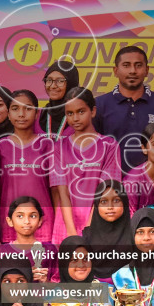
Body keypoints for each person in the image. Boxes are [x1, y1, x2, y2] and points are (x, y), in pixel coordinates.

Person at [95, 45, 154, 173]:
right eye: (126, 65)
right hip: (112, 186)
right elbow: (91, 150)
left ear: (147, 70)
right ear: (115, 70)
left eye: (138, 65)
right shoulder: (100, 105)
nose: (132, 71)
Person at [53, 87, 120, 238]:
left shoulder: (109, 146)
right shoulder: (59, 147)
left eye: (81, 111)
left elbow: (105, 193)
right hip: (65, 225)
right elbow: (62, 194)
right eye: (70, 113)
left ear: (93, 111)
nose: (75, 118)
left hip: (98, 223)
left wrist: (88, 229)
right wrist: (71, 233)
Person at [0, 90, 56, 242]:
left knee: (42, 266)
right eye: (15, 109)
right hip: (9, 227)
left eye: (27, 108)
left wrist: (57, 231)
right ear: (8, 114)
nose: (21, 114)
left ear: (37, 114)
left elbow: (57, 193)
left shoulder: (48, 145)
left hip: (44, 226)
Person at [41, 61, 78, 137]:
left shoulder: (81, 115)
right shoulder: (40, 115)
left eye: (60, 81)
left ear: (71, 83)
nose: (53, 86)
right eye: (49, 80)